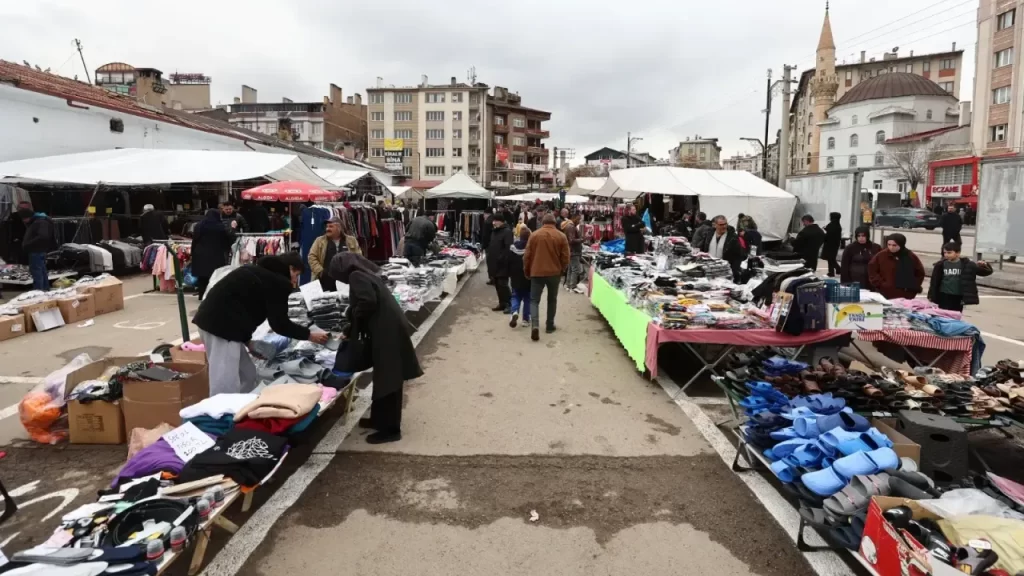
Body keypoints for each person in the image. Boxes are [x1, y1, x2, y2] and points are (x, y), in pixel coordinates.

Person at [192, 253, 329, 396]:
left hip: (217, 323)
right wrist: (309, 335)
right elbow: (280, 324)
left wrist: (248, 342)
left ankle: (242, 408)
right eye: (296, 274)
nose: (295, 280)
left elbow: (240, 307)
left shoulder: (256, 272)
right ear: (289, 268)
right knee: (225, 384)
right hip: (221, 328)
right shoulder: (277, 282)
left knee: (248, 374)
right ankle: (222, 414)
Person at [330, 252, 422, 444]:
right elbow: (368, 303)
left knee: (389, 378)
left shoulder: (356, 276)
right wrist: (351, 324)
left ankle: (391, 429)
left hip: (387, 331)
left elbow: (367, 302)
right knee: (384, 375)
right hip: (387, 328)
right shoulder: (365, 274)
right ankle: (380, 420)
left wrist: (351, 316)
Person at [523, 214, 570, 341]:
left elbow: (527, 256)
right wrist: (562, 269)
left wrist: (527, 271)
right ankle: (549, 325)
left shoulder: (534, 235)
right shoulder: (561, 236)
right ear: (555, 223)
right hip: (554, 272)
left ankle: (535, 325)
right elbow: (566, 256)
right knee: (552, 299)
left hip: (537, 272)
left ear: (542, 222)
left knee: (534, 300)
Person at [927, 242, 993, 312]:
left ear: (958, 253)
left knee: (956, 316)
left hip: (958, 296)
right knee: (943, 316)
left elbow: (986, 272)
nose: (946, 255)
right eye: (945, 253)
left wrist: (985, 265)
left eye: (949, 253)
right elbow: (934, 282)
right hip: (943, 295)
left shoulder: (967, 265)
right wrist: (931, 295)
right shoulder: (940, 265)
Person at [308, 216, 362, 292]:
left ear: (339, 228)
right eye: (327, 227)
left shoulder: (351, 240)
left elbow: (358, 257)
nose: (327, 229)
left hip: (346, 281)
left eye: (331, 226)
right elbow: (312, 257)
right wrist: (321, 272)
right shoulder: (319, 241)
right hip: (325, 281)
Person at [192, 209, 236, 299]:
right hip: (216, 255)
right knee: (215, 276)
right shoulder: (221, 227)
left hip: (200, 254)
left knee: (202, 277)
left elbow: (195, 240)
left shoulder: (199, 226)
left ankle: (201, 295)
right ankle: (212, 296)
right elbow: (228, 241)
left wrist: (193, 253)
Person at [868, 233, 925, 300]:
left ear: (901, 244)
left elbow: (919, 273)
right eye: (889, 245)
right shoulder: (881, 255)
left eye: (894, 245)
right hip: (885, 293)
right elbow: (872, 270)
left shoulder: (910, 256)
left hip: (905, 295)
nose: (891, 247)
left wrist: (913, 287)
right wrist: (881, 284)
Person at [17, 204, 55, 291]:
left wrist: (28, 244)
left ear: (27, 217)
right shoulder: (39, 221)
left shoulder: (39, 222)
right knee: (41, 271)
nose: (23, 221)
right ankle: (44, 289)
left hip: (36, 250)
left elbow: (43, 236)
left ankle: (39, 291)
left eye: (24, 218)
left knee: (37, 272)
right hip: (38, 250)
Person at [699, 215, 743, 281]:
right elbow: (702, 249)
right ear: (715, 225)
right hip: (709, 270)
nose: (724, 226)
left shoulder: (732, 237)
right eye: (721, 224)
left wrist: (734, 271)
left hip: (726, 271)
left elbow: (738, 255)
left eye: (725, 224)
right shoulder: (709, 234)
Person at [486, 213, 514, 312]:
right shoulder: (494, 232)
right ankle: (502, 303)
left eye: (495, 221)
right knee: (497, 285)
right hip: (494, 264)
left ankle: (510, 304)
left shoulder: (507, 232)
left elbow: (508, 248)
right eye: (493, 221)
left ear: (501, 221)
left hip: (502, 264)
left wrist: (501, 259)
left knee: (503, 285)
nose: (493, 223)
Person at [508, 227, 531, 328]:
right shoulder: (531, 248)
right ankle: (525, 319)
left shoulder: (513, 247)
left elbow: (508, 262)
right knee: (527, 298)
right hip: (528, 276)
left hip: (515, 276)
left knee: (515, 295)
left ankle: (514, 311)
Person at [563, 212, 584, 290]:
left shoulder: (569, 226)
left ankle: (568, 284)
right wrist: (581, 240)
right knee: (575, 269)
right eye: (578, 219)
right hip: (574, 251)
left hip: (571, 250)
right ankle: (572, 285)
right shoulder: (571, 227)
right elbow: (571, 240)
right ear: (574, 218)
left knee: (571, 269)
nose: (579, 221)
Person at [822, 212, 843, 278]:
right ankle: (838, 270)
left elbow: (829, 235)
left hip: (830, 244)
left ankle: (832, 272)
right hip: (835, 244)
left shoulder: (832, 225)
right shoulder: (837, 225)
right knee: (831, 258)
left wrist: (824, 232)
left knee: (830, 259)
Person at [481, 207, 495, 285]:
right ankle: (495, 278)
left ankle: (492, 279)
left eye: (484, 214)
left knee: (490, 262)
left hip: (489, 245)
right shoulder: (495, 219)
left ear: (487, 214)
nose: (483, 216)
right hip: (495, 244)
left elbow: (485, 236)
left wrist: (483, 246)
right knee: (495, 262)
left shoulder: (487, 222)